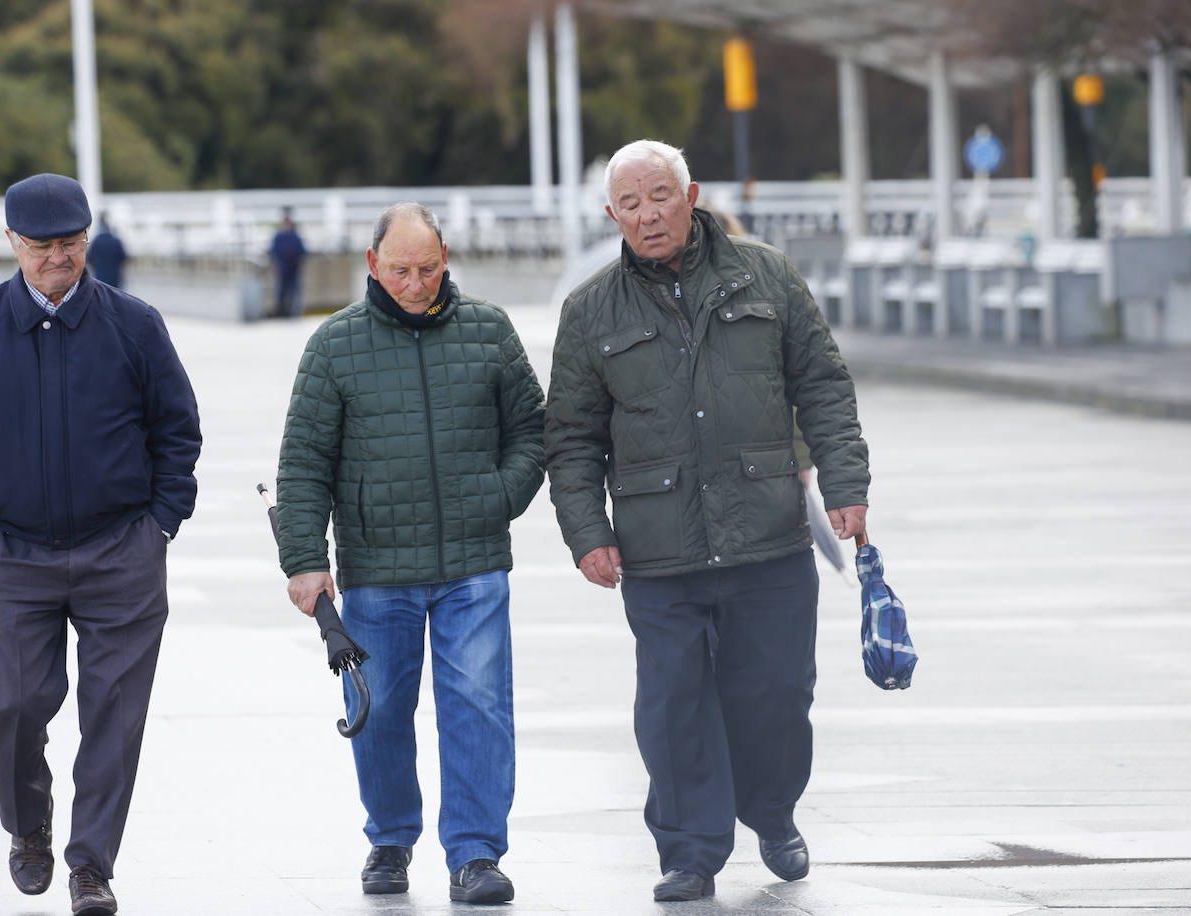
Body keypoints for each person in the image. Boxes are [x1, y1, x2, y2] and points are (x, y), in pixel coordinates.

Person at [543, 140, 871, 902]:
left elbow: (823, 384)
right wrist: (589, 533)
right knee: (672, 706)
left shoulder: (769, 278)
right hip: (660, 550)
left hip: (769, 534)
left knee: (779, 694)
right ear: (611, 215)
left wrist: (846, 485)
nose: (648, 214)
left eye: (660, 195)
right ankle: (689, 850)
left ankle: (772, 809)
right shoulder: (590, 310)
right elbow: (570, 438)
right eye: (630, 203)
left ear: (690, 196)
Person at [0, 173, 201, 916]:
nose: (58, 258)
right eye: (42, 245)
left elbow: (177, 429)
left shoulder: (135, 326)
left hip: (122, 554)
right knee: (13, 704)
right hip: (11, 554)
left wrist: (161, 523)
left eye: (71, 243)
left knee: (114, 712)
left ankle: (91, 866)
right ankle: (29, 826)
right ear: (12, 243)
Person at [275, 202, 544, 905]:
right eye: (400, 271)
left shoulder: (490, 333)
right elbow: (303, 464)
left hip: (474, 563)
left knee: (480, 706)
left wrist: (499, 495)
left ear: (446, 257)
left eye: (428, 268)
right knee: (382, 707)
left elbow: (533, 432)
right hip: (376, 570)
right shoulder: (333, 346)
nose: (417, 283)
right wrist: (305, 559)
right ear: (372, 265)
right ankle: (390, 839)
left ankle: (476, 855)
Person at [267, 207, 307, 317]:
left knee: (294, 292)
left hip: (293, 268)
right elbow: (273, 251)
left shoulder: (295, 236)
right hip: (283, 268)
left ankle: (294, 313)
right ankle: (281, 312)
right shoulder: (279, 237)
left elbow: (302, 251)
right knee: (281, 292)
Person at [86, 214, 127, 289]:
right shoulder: (116, 241)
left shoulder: (96, 241)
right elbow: (123, 257)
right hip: (115, 277)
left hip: (100, 277)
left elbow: (89, 258)